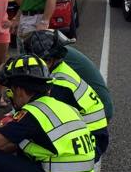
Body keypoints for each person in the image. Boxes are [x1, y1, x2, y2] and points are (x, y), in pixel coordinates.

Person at [23, 30, 110, 160]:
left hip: (91, 141)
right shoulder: (60, 69)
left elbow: (39, 117)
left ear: (47, 59)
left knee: (25, 144)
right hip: (94, 132)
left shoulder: (58, 84)